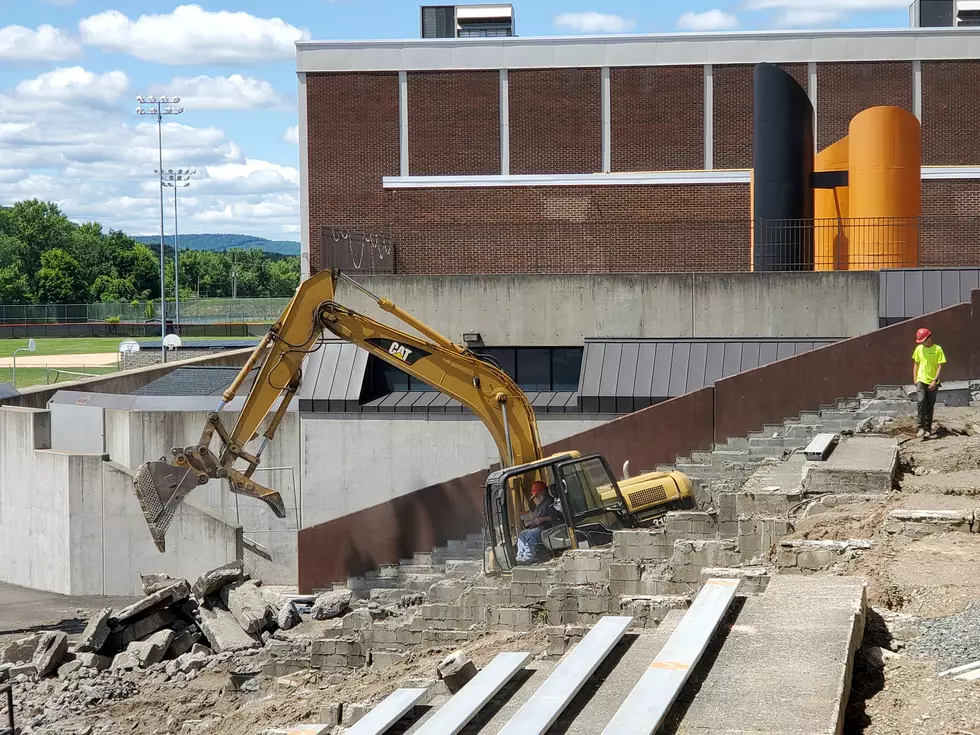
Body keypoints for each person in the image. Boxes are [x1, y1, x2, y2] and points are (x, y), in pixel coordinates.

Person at [516, 481, 563, 565]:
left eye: (537, 494)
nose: (536, 497)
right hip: (539, 527)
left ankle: (529, 557)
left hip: (549, 527)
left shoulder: (550, 502)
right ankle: (520, 556)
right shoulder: (540, 505)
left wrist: (543, 519)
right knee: (522, 534)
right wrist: (531, 523)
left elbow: (556, 515)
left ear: (542, 492)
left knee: (532, 533)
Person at [912, 327, 946, 438]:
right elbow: (916, 364)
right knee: (921, 401)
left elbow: (940, 366)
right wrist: (915, 378)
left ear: (929, 338)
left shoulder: (937, 349)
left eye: (923, 340)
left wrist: (934, 381)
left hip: (933, 381)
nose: (922, 343)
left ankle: (928, 429)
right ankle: (920, 427)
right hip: (921, 379)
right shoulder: (918, 349)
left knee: (929, 406)